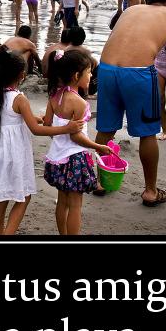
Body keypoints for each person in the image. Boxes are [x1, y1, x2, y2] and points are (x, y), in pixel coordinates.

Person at [94, 0, 166, 206]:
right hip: (138, 74)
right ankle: (150, 191)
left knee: (106, 129)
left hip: (106, 70)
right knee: (147, 133)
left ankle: (101, 182)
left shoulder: (133, 9)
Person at [0, 47, 85, 235]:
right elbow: (35, 129)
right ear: (22, 75)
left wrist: (35, 118)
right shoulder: (19, 99)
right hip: (13, 154)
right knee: (23, 197)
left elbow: (13, 118)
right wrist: (66, 128)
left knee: (1, 198)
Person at [43, 50, 115, 235]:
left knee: (62, 202)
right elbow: (76, 136)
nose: (91, 76)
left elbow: (47, 124)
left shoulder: (54, 96)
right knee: (75, 206)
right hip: (74, 159)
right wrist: (99, 147)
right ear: (76, 75)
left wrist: (59, 136)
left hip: (56, 158)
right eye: (89, 72)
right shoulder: (80, 103)